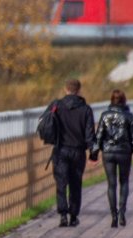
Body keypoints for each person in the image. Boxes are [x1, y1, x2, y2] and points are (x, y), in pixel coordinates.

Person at [45, 78, 96, 227]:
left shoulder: (57, 106)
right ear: (79, 90)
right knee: (75, 183)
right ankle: (73, 215)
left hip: (60, 150)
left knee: (61, 182)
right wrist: (93, 154)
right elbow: (90, 134)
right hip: (78, 151)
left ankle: (63, 215)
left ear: (65, 89)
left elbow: (48, 125)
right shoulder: (86, 109)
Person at [90, 89, 133, 228]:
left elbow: (99, 135)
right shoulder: (129, 116)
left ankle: (113, 215)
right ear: (124, 100)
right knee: (124, 182)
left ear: (111, 100)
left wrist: (94, 155)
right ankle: (122, 213)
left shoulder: (105, 115)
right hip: (124, 152)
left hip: (108, 153)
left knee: (111, 184)